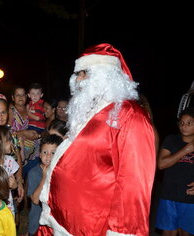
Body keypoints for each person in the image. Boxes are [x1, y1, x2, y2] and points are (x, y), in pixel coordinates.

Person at [36, 43, 156, 235]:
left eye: (85, 72)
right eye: (77, 73)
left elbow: (133, 186)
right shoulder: (89, 109)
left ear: (106, 75)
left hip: (93, 226)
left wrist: (122, 231)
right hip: (61, 220)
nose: (78, 79)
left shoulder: (130, 116)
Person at [156, 107, 194, 236]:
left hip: (190, 199)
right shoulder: (171, 140)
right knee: (168, 233)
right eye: (182, 123)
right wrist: (186, 150)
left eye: (189, 123)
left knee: (185, 233)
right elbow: (161, 164)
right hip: (169, 196)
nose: (184, 126)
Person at [27, 134, 63, 236]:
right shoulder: (34, 173)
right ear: (40, 154)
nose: (48, 156)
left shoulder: (62, 173)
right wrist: (44, 177)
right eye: (45, 152)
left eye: (53, 153)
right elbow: (35, 200)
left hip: (56, 224)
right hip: (37, 224)